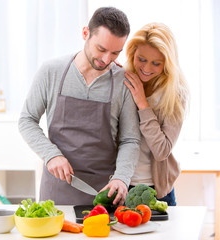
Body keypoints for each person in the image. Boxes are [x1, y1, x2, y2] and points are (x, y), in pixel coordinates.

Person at [18, 7, 140, 206]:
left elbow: (130, 139)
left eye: (116, 53)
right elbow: (27, 120)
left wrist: (122, 177)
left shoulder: (122, 82)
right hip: (58, 189)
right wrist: (51, 155)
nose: (106, 59)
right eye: (101, 49)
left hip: (105, 193)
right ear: (85, 33)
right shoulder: (52, 71)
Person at [124, 22, 190, 206]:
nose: (146, 68)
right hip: (121, 185)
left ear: (167, 63)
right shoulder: (122, 81)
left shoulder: (175, 94)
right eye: (141, 59)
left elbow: (162, 151)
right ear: (132, 53)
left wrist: (142, 104)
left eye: (156, 63)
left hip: (157, 190)